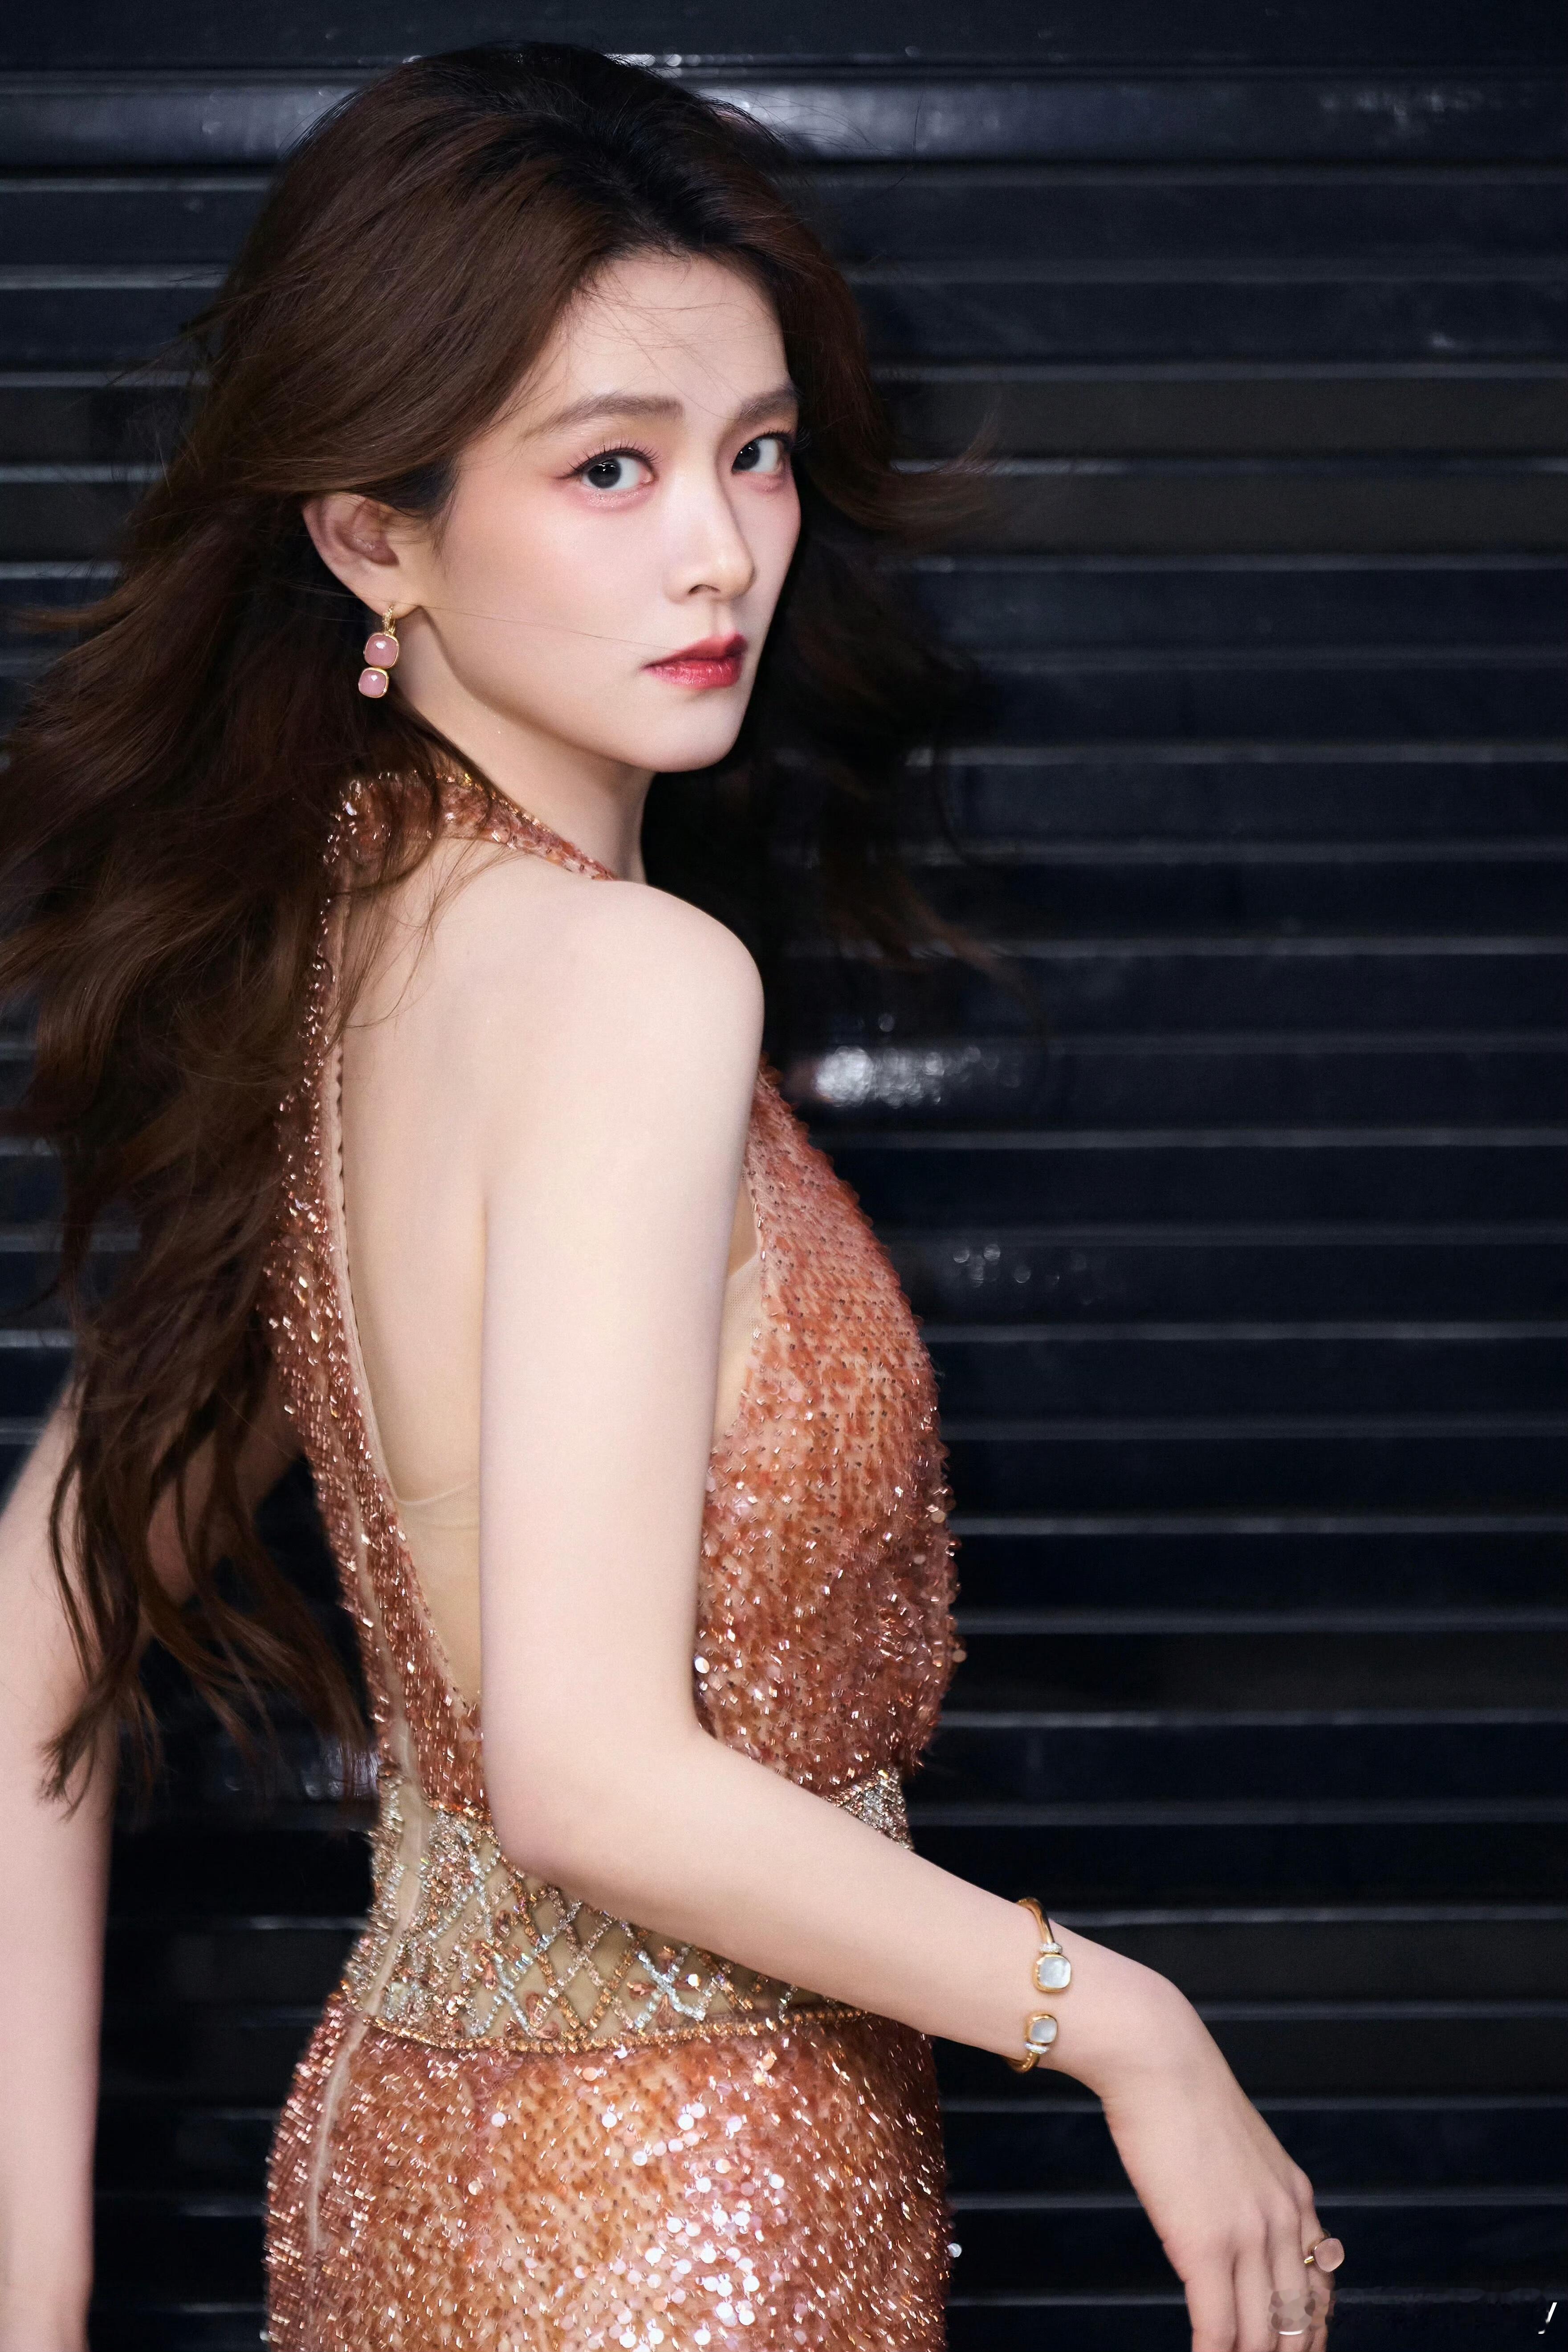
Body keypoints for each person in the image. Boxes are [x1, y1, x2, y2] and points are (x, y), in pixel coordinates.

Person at [0, 45, 1344, 2352]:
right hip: (683, 2227)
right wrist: (1123, 2018)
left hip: (396, 2189)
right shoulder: (631, 981)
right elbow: (588, 1776)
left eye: (757, 452)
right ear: (372, 534)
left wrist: (33, 2295)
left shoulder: (341, 965)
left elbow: (31, 1628)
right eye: (608, 466)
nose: (719, 548)